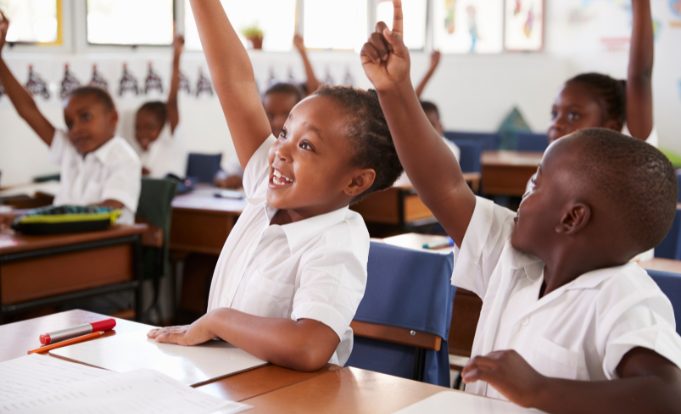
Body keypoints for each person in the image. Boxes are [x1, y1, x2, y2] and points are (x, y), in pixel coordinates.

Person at [360, 1, 681, 411]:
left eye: (536, 184)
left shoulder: (622, 295)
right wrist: (395, 90)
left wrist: (539, 390)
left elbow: (668, 394)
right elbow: (444, 187)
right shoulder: (512, 257)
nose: (522, 194)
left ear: (571, 217)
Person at [148, 0, 402, 371]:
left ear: (355, 181)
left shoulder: (338, 240)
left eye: (306, 145)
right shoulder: (263, 189)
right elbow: (234, 81)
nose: (279, 150)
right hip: (226, 385)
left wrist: (219, 320)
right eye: (283, 133)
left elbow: (310, 346)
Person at [0, 12, 140, 224]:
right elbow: (28, 111)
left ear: (113, 118)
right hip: (66, 240)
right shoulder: (70, 148)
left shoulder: (122, 158)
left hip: (106, 247)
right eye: (69, 123)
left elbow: (108, 209)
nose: (74, 130)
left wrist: (41, 217)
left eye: (85, 117)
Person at [548, 0, 654, 144]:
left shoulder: (631, 149)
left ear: (611, 128)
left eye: (574, 115)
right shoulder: (554, 163)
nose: (556, 123)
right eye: (554, 114)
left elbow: (640, 76)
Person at [394, 50, 459, 186]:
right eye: (423, 126)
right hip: (399, 197)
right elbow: (408, 105)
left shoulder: (450, 149)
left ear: (441, 126)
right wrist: (430, 71)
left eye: (431, 125)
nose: (427, 131)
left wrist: (431, 70)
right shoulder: (409, 144)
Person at [135, 34, 187, 178]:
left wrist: (176, 57)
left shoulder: (169, 138)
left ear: (165, 125)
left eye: (149, 127)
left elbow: (172, 101)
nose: (142, 133)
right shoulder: (144, 153)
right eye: (138, 128)